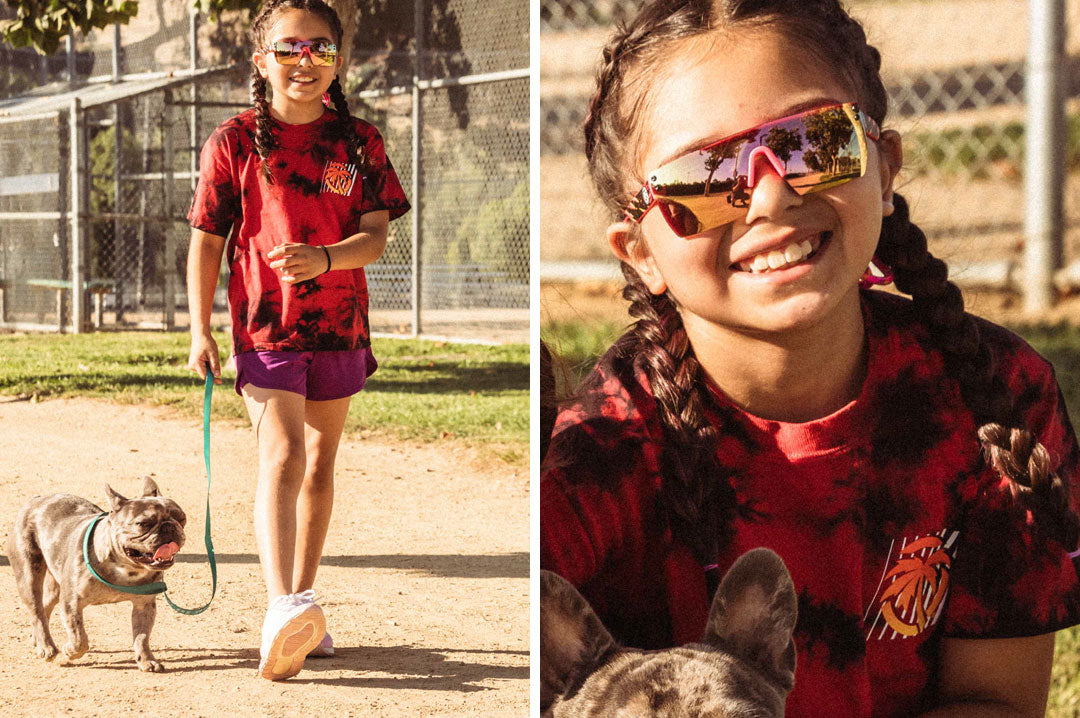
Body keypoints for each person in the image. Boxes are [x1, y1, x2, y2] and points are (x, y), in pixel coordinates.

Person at [540, 0, 1080, 714]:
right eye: (702, 178)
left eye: (812, 143)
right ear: (641, 254)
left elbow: (996, 701)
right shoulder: (593, 458)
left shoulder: (997, 399)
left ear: (884, 170)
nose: (767, 195)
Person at [185, 0, 409, 681]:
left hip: (340, 324)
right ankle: (281, 608)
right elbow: (206, 240)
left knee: (318, 463)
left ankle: (305, 603)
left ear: (337, 59)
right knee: (281, 453)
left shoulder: (359, 143)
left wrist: (327, 258)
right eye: (287, 49)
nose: (304, 62)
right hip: (264, 325)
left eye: (318, 48)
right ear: (263, 62)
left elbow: (376, 234)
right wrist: (198, 329)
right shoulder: (232, 143)